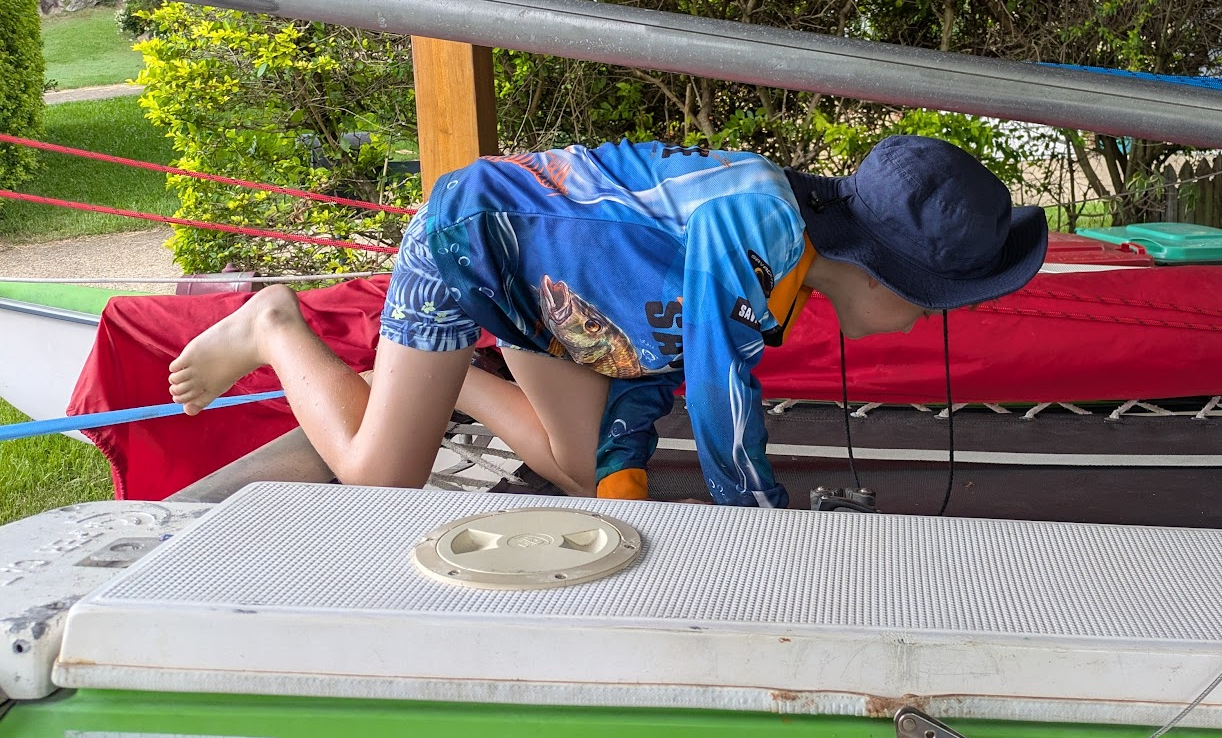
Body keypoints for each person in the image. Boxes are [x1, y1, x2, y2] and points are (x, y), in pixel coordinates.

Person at [167, 135, 1048, 507]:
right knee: (377, 485)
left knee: (586, 473)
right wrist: (756, 522)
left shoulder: (786, 268)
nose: (922, 324)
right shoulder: (764, 230)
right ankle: (273, 326)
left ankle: (457, 384)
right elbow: (718, 391)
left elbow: (654, 365)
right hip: (472, 244)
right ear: (882, 271)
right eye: (932, 304)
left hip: (551, 297)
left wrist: (629, 458)